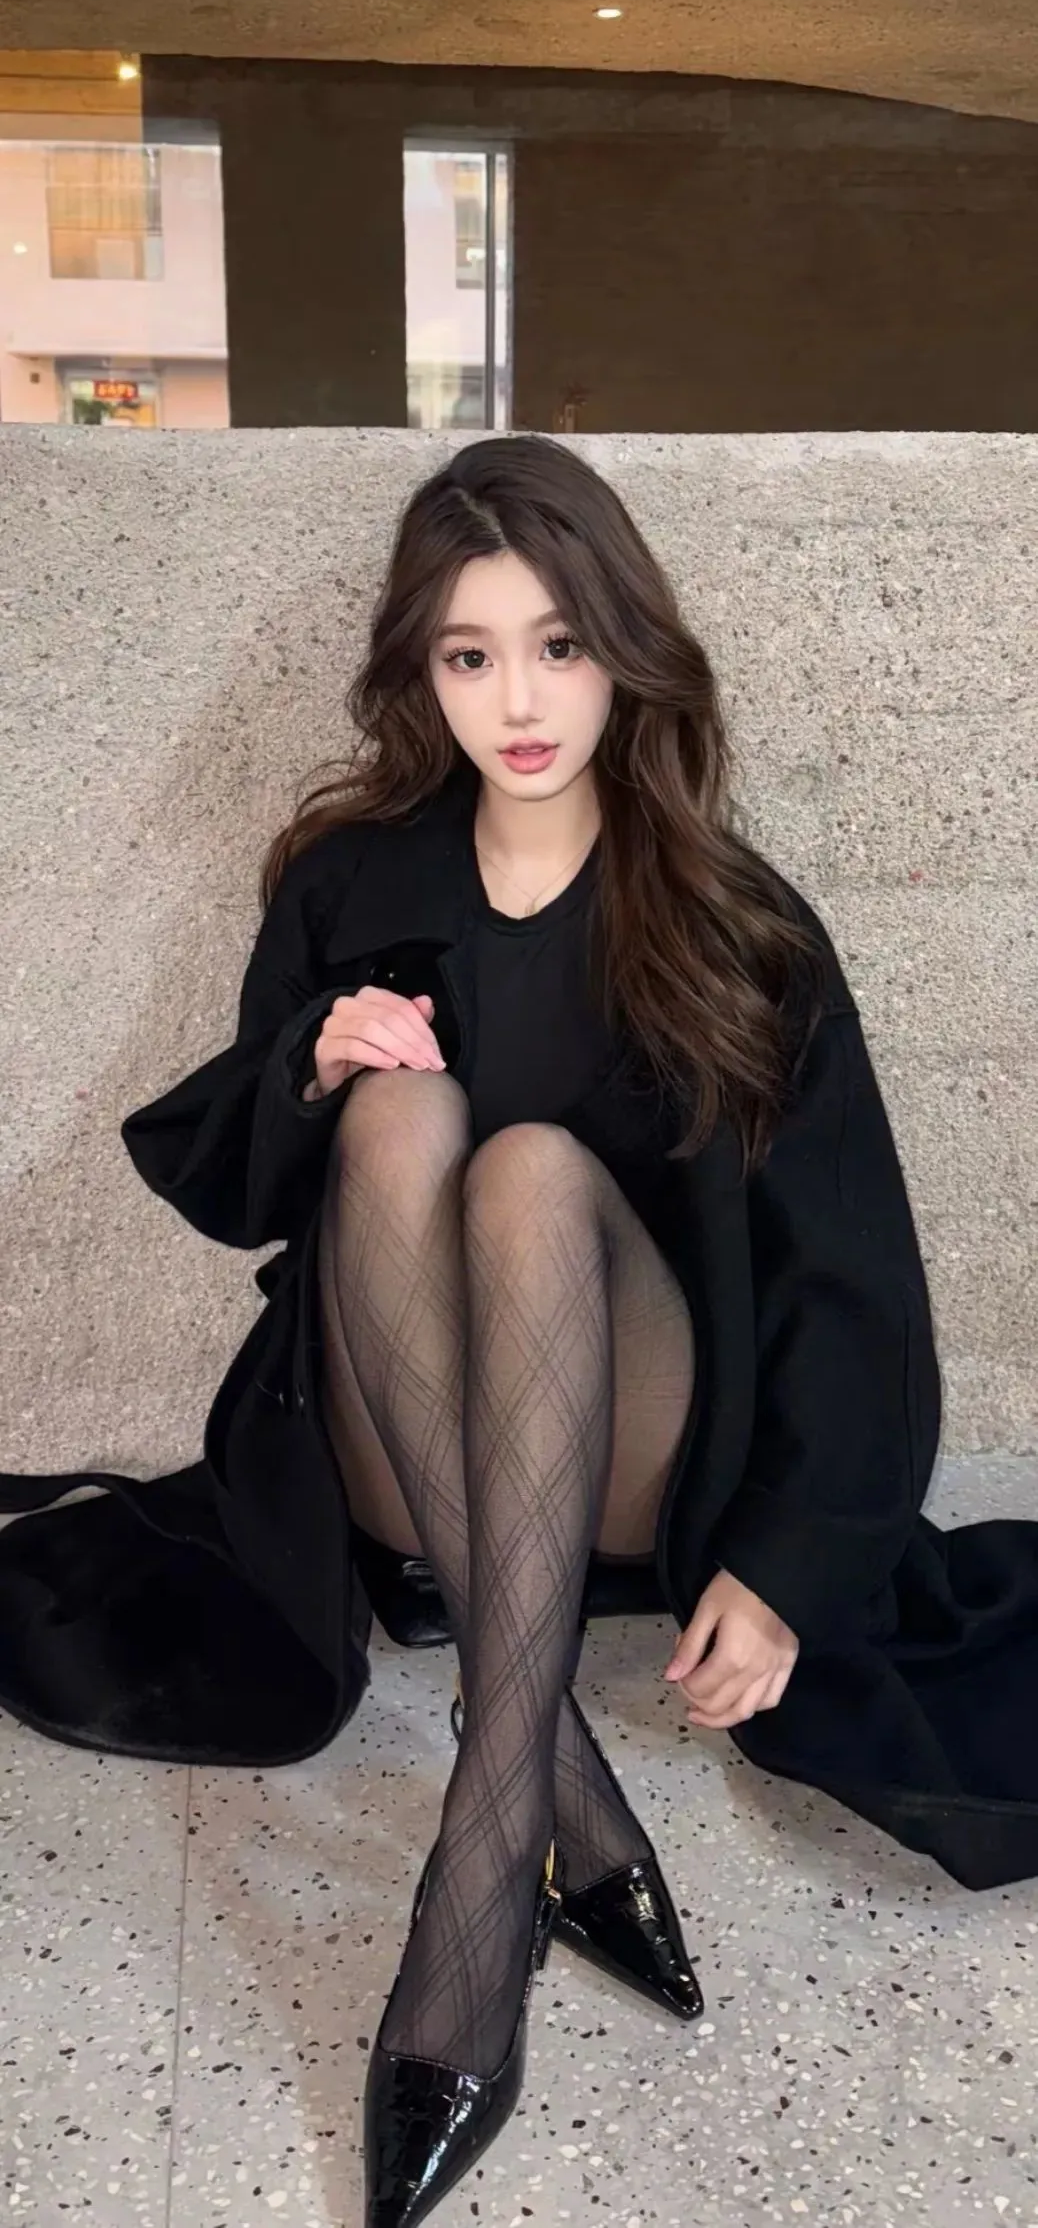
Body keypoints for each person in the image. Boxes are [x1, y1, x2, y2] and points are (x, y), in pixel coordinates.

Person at [3, 433, 1038, 2228]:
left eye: (558, 646)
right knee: (404, 1110)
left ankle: (483, 1891)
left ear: (623, 651)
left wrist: (788, 1567)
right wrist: (311, 1062)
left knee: (536, 1172)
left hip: (634, 1449)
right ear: (421, 673)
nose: (520, 701)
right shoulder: (348, 884)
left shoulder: (732, 921)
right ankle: (557, 1796)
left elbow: (851, 1280)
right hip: (396, 1442)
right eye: (469, 654)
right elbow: (235, 1182)